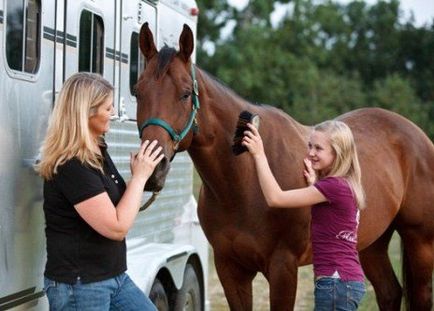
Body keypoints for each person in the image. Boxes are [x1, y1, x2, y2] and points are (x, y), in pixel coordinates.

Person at [35, 72, 163, 310]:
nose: (113, 113)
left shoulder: (96, 152)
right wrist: (140, 178)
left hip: (114, 277)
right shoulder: (71, 164)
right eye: (108, 108)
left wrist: (139, 176)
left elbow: (116, 208)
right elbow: (117, 226)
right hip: (80, 286)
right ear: (86, 112)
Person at [242, 120, 366, 311]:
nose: (311, 153)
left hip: (336, 282)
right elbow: (330, 218)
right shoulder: (344, 184)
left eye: (319, 148)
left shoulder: (332, 187)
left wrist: (259, 154)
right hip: (344, 281)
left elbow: (276, 198)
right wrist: (313, 185)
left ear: (338, 152)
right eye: (310, 146)